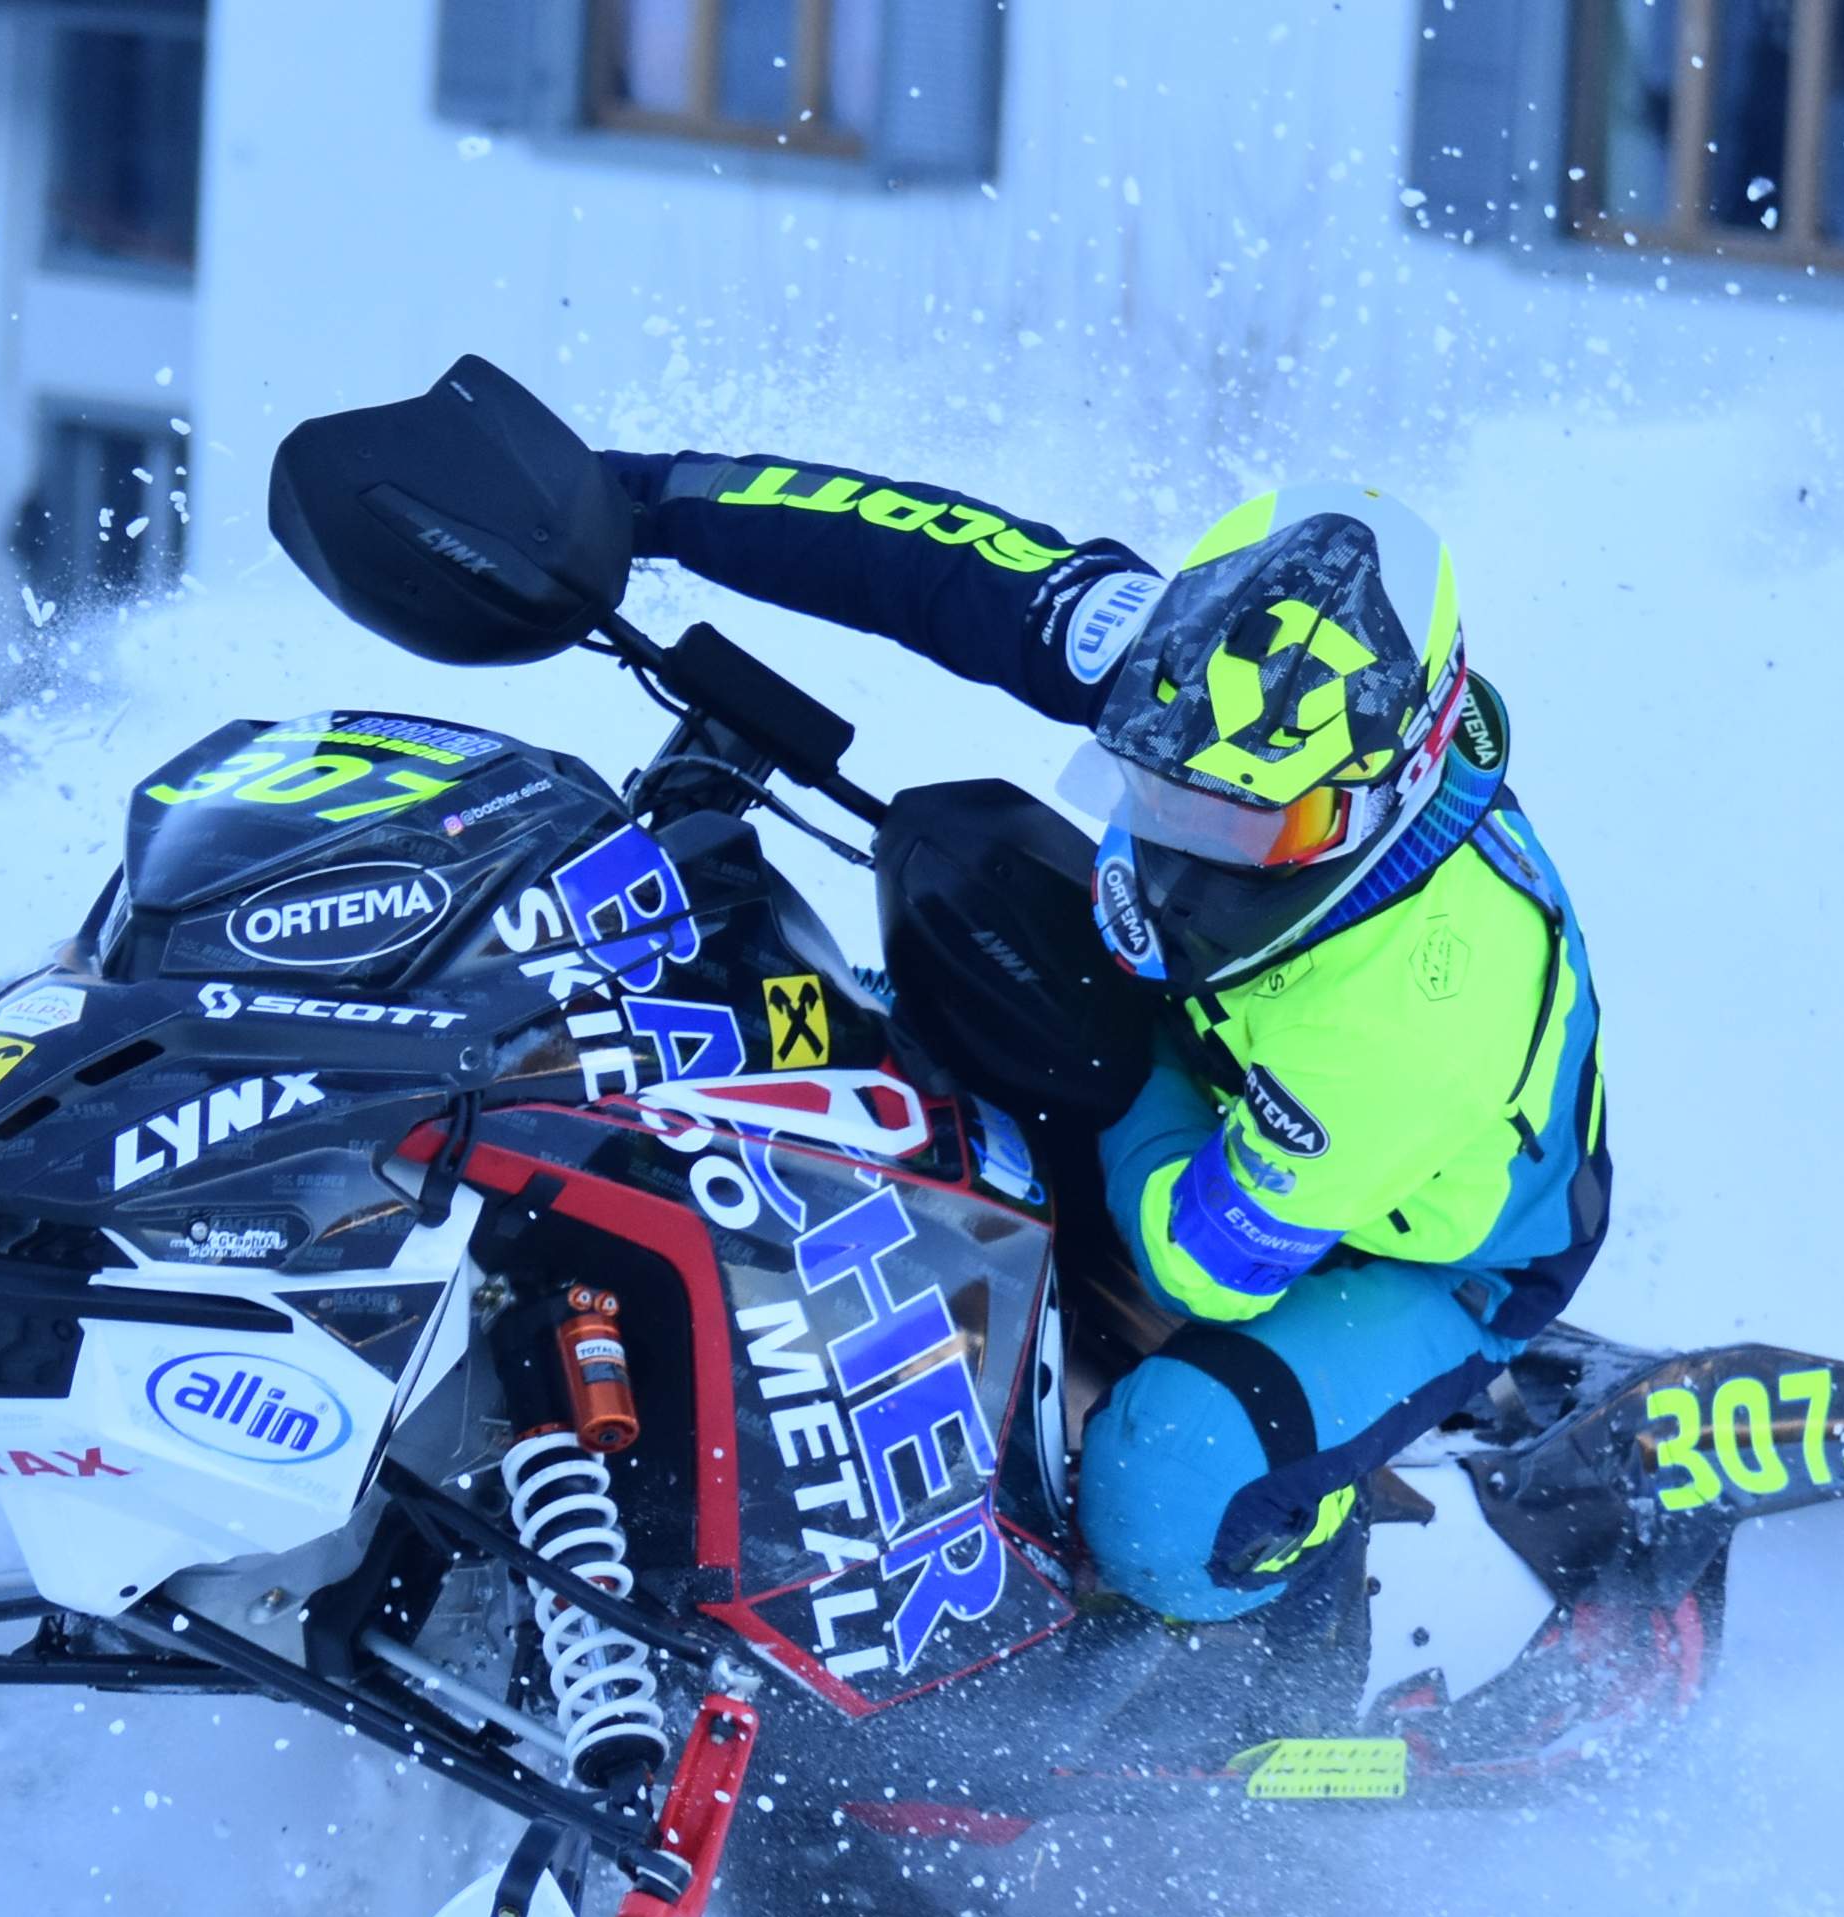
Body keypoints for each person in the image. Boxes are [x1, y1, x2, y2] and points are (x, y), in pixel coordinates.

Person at [593, 447, 1612, 1623]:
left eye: (1255, 828)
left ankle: (1313, 1550)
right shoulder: (1230, 684)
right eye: (1171, 793)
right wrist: (639, 499)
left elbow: (1199, 1261)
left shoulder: (1418, 1020)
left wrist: (1109, 1067)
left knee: (1163, 1494)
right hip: (1225, 1049)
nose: (1195, 857)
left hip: (1427, 1247)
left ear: (1383, 790)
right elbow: (923, 551)